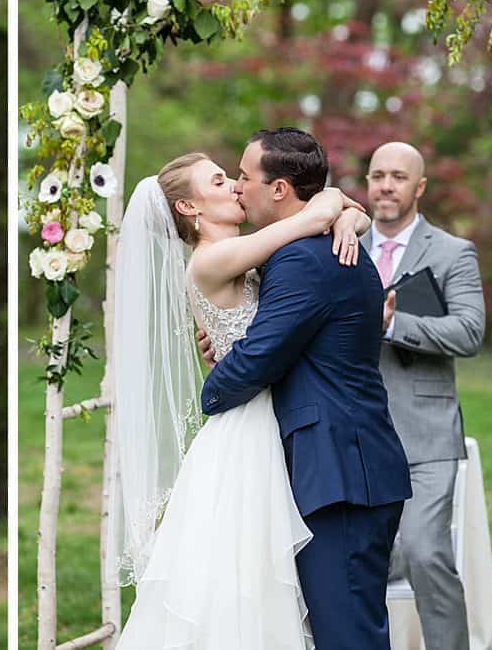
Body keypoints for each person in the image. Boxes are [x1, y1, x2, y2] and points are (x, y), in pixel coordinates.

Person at [113, 146, 370, 650]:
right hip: (244, 436)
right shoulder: (211, 261)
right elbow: (307, 216)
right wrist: (337, 213)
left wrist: (348, 218)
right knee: (240, 587)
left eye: (232, 177)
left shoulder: (247, 251)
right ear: (189, 208)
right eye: (217, 181)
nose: (233, 184)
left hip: (271, 419)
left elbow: (324, 208)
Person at [196, 130, 411, 650]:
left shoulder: (302, 259)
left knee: (347, 636)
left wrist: (212, 393)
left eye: (246, 176)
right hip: (346, 464)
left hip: (339, 471)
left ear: (279, 190)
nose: (239, 185)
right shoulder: (315, 243)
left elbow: (261, 357)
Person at [366, 141, 486, 650]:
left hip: (426, 433)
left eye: (398, 176)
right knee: (346, 559)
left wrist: (395, 324)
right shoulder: (340, 246)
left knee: (423, 551)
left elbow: (469, 332)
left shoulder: (452, 253)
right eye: (377, 175)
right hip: (356, 429)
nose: (386, 186)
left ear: (419, 188)